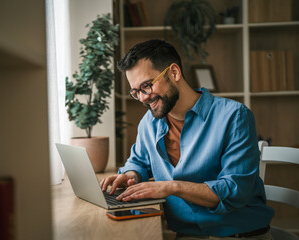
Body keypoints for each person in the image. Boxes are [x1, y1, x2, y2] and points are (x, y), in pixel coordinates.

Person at [100, 39, 274, 239]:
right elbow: (139, 161)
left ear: (174, 73)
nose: (142, 98)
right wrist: (131, 175)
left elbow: (235, 191)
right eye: (135, 92)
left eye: (146, 86)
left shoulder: (234, 116)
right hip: (187, 235)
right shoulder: (149, 122)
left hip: (239, 234)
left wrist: (170, 187)